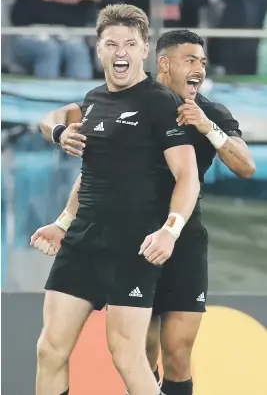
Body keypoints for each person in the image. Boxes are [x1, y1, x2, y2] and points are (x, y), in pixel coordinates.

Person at [32, 30, 256, 395]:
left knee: (177, 352)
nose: (199, 68)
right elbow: (94, 171)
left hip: (180, 237)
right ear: (164, 63)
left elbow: (245, 166)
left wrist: (206, 126)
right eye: (190, 60)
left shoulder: (209, 111)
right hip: (138, 235)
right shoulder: (130, 101)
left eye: (202, 61)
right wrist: (63, 218)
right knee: (139, 351)